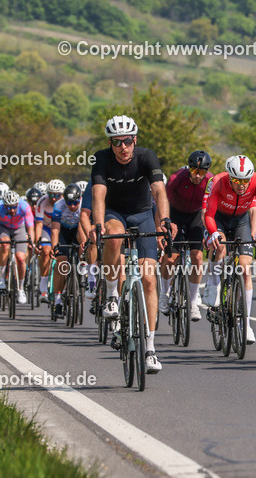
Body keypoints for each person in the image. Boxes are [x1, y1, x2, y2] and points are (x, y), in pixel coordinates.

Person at [90, 114, 174, 374]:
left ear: (134, 140)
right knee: (114, 235)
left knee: (149, 279)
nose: (123, 147)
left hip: (142, 215)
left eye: (127, 141)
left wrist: (165, 220)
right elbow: (98, 194)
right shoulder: (101, 159)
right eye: (117, 142)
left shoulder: (147, 156)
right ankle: (112, 296)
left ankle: (150, 349)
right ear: (110, 143)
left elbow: (159, 190)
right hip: (114, 213)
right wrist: (98, 225)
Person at [203, 155, 256, 345]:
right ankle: (214, 283)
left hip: (241, 221)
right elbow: (209, 214)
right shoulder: (218, 181)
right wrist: (213, 233)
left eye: (245, 181)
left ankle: (246, 324)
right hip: (219, 218)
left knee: (245, 268)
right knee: (220, 246)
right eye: (237, 180)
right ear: (229, 177)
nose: (241, 185)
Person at [160, 150, 213, 322]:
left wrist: (209, 231)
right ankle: (164, 294)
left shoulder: (210, 181)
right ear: (189, 169)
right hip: (175, 215)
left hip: (196, 217)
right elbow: (163, 203)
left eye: (201, 172)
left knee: (197, 257)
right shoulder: (176, 178)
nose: (197, 176)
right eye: (194, 171)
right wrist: (166, 223)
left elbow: (211, 208)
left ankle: (193, 302)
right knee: (170, 259)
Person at [0, 189, 37, 305]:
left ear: (17, 204)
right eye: (9, 208)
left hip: (19, 228)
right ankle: (1, 278)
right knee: (4, 245)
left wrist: (31, 242)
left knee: (20, 258)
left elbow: (30, 226)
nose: (12, 210)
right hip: (3, 228)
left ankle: (21, 288)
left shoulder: (24, 206)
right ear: (4, 205)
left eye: (14, 207)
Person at [49, 184, 86, 317]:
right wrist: (55, 247)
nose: (72, 206)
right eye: (69, 203)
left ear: (79, 199)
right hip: (63, 232)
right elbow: (55, 229)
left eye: (75, 203)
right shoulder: (58, 205)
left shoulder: (84, 204)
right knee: (61, 263)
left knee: (83, 247)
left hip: (77, 230)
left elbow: (82, 227)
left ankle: (83, 271)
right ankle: (58, 301)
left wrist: (83, 244)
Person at [36, 179, 65, 299]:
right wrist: (38, 241)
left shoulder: (65, 202)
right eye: (51, 195)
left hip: (60, 229)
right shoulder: (42, 201)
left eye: (57, 195)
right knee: (46, 251)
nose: (54, 198)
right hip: (46, 229)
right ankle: (43, 285)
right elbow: (38, 223)